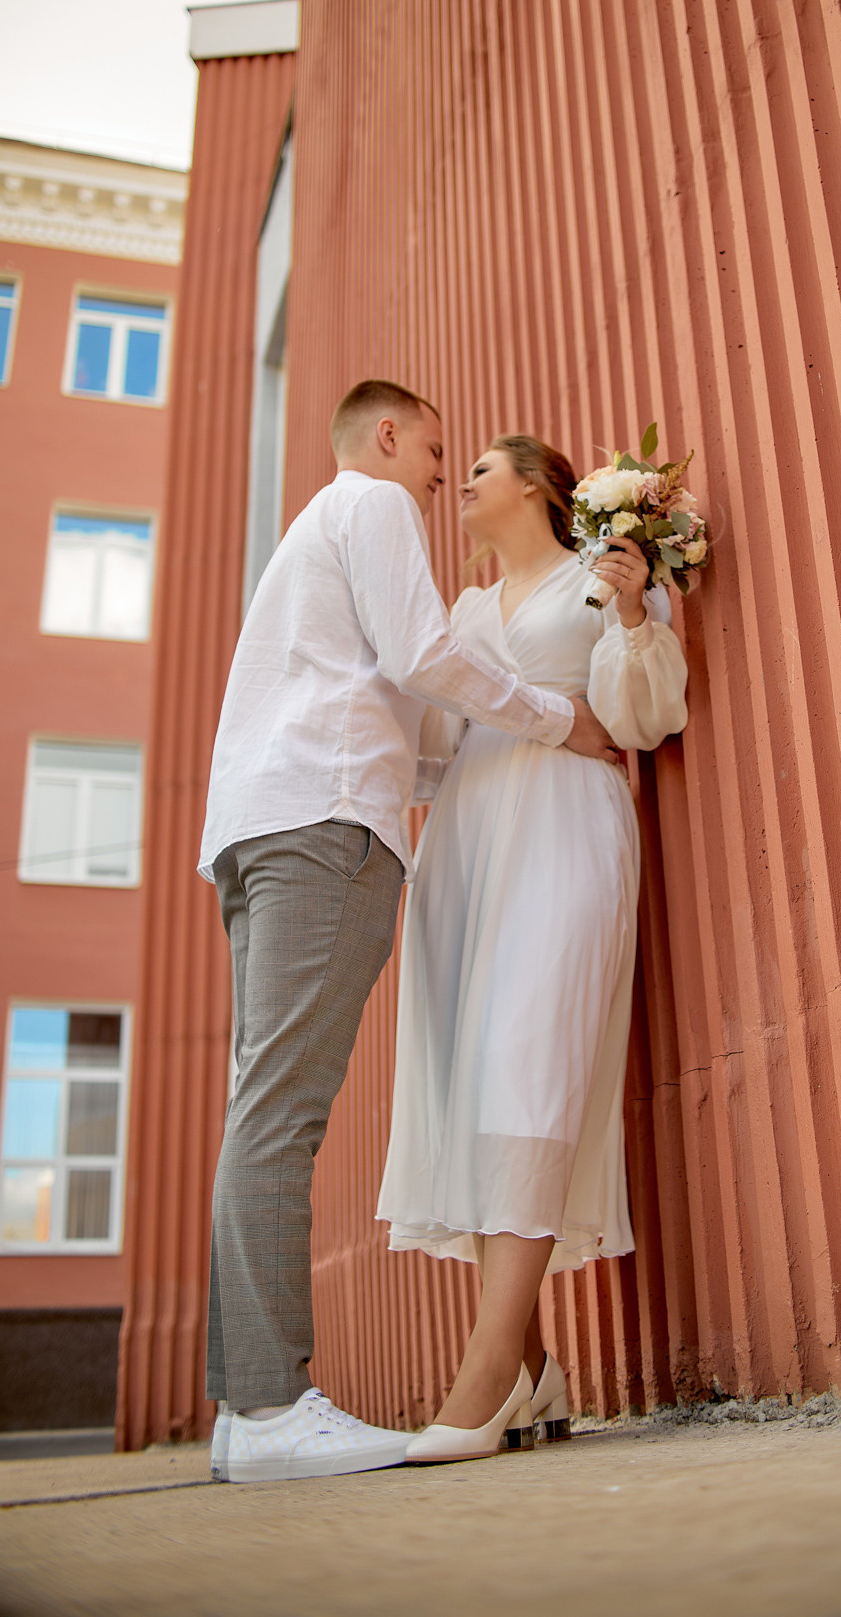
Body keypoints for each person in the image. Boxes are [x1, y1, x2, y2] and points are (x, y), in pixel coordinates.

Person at [199, 383, 617, 1485]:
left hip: (258, 828)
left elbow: (417, 732)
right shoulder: (373, 505)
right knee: (280, 1114)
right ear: (387, 437)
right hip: (324, 823)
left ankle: (248, 1411)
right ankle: (269, 1408)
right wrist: (556, 720)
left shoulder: (310, 532)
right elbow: (423, 655)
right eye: (435, 450)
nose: (440, 475)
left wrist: (501, 750)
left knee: (261, 1105)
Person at [376, 434, 689, 1462]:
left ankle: (483, 1373)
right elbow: (428, 746)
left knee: (531, 1066)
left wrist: (634, 613)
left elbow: (640, 720)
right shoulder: (462, 612)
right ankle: (530, 1369)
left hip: (564, 825)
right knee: (475, 1088)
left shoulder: (597, 577)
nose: (461, 483)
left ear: (538, 487)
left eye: (479, 469)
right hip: (464, 847)